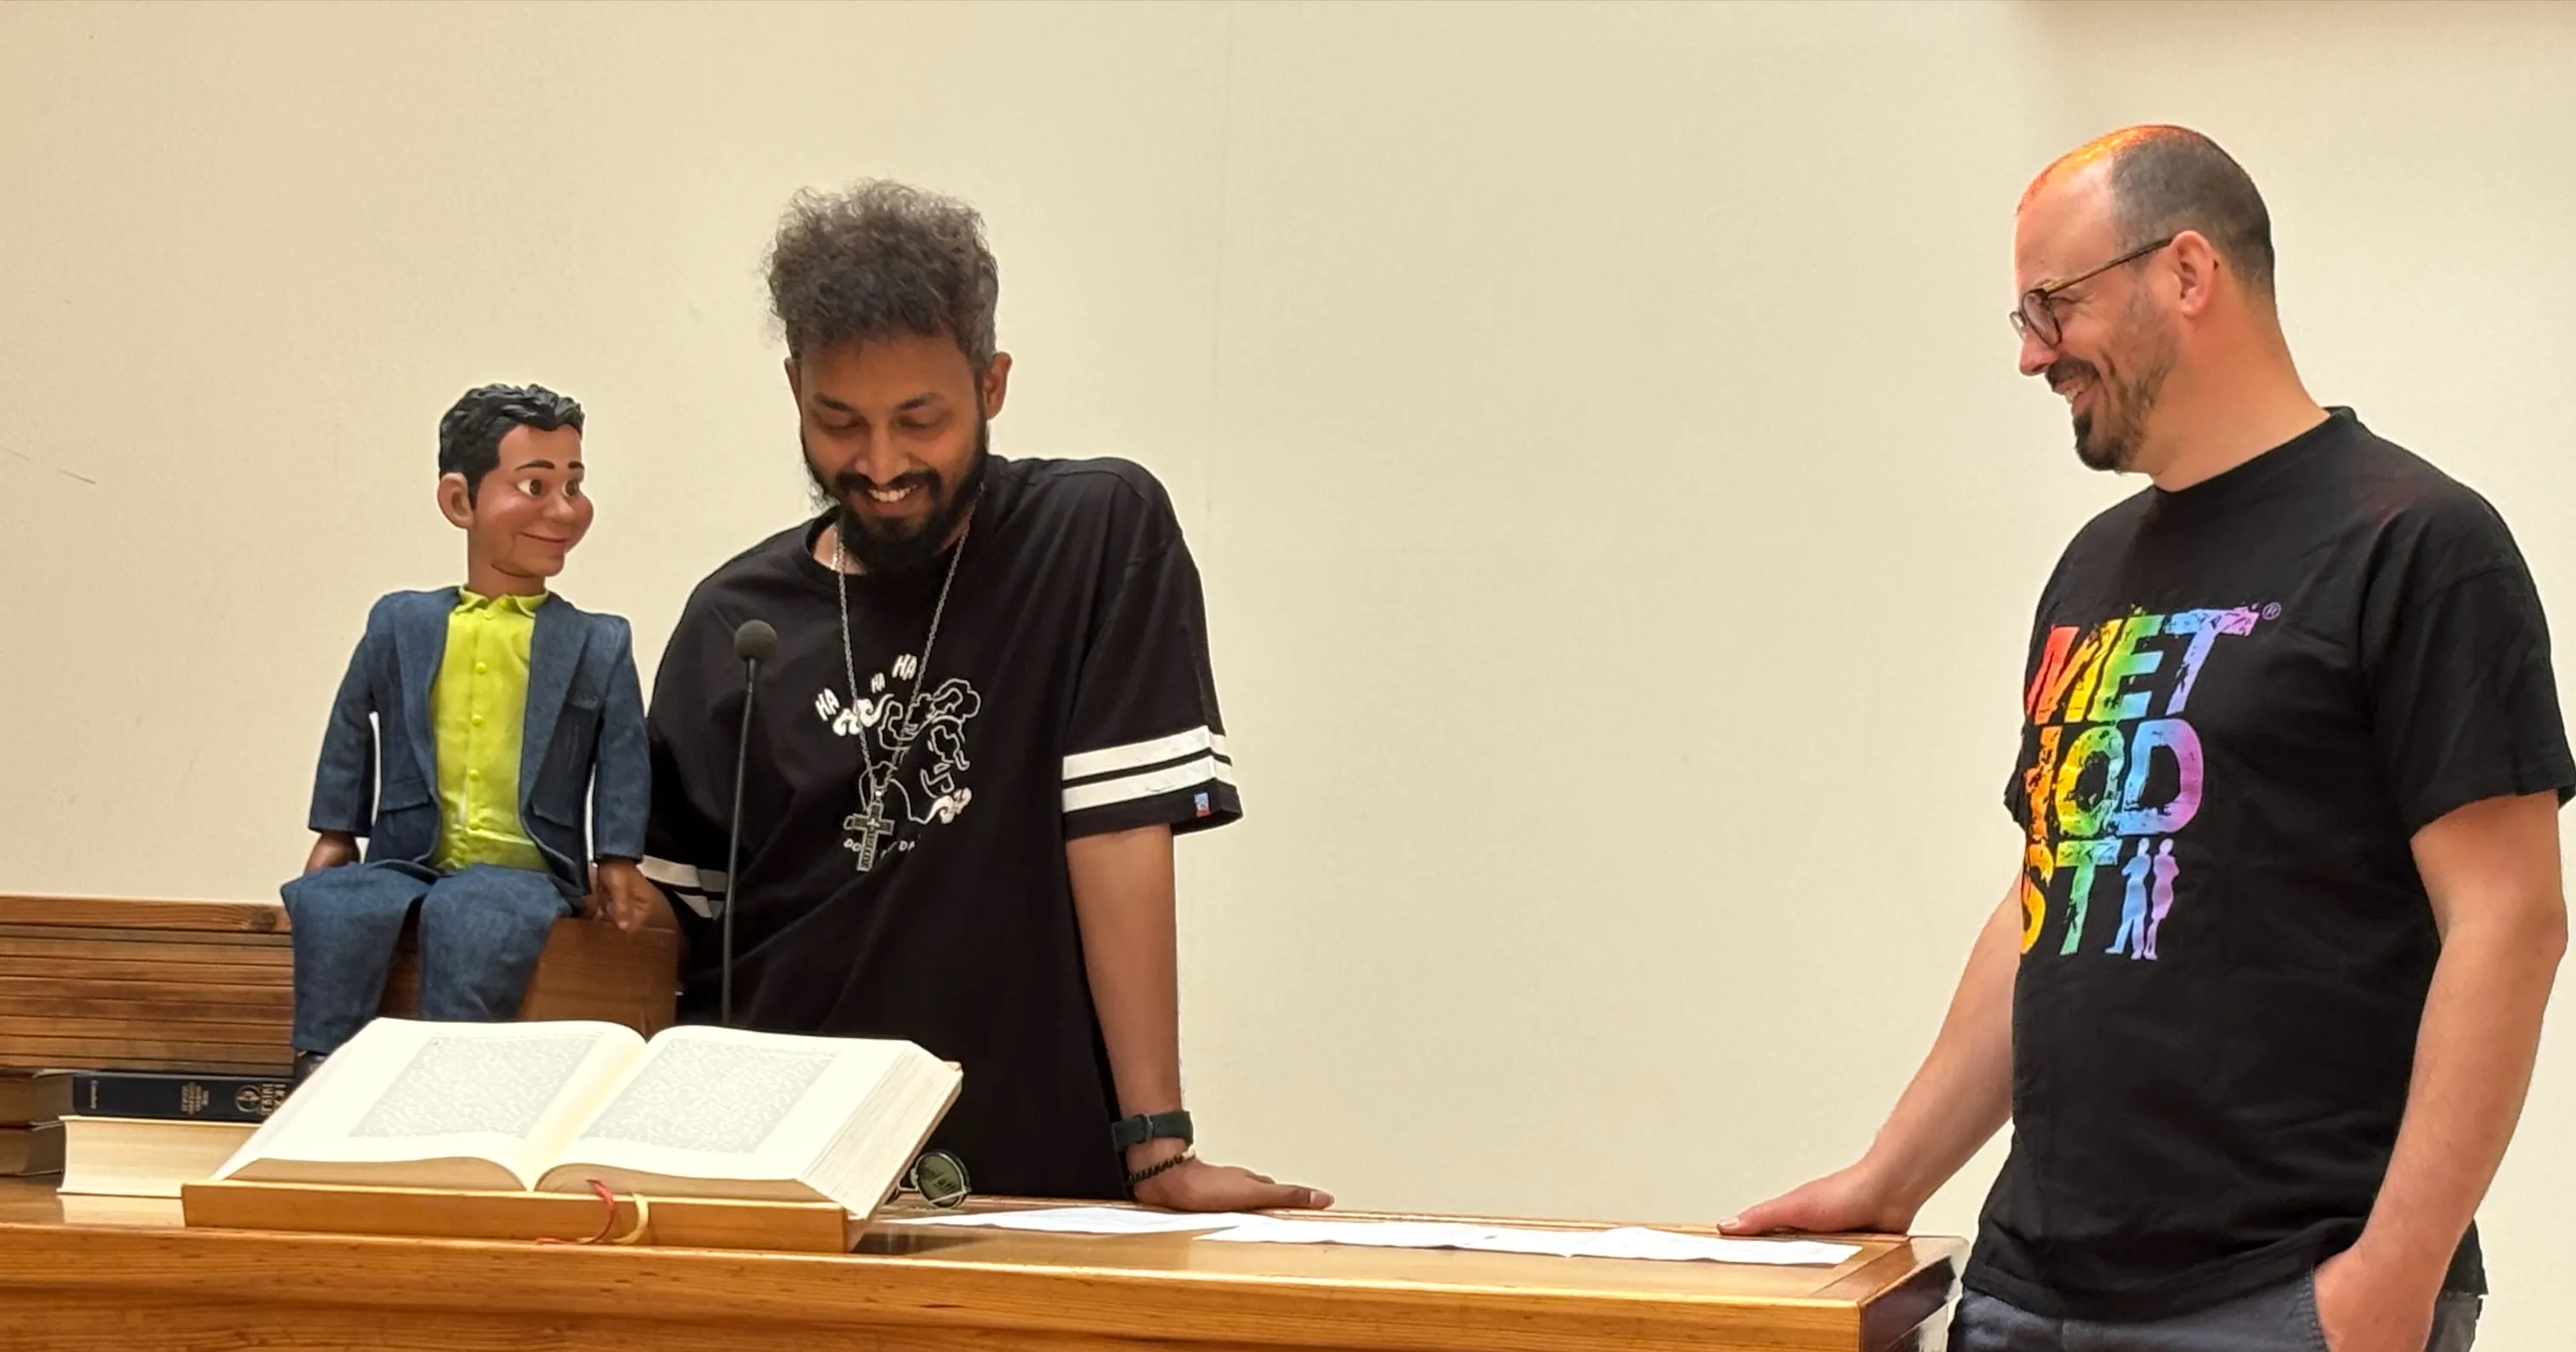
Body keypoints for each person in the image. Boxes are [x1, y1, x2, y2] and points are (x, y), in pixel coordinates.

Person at [1722, 127, 2571, 1352]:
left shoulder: (2419, 545)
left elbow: (2510, 923)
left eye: (2054, 304)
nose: (2031, 353)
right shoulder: (2094, 565)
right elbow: (2057, 886)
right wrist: (1889, 1175)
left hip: (2281, 1294)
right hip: (2027, 1293)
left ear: (2185, 272)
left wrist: (2393, 1277)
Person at [640, 182, 1327, 1211]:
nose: (880, 464)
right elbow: (667, 932)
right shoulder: (731, 621)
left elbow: (1117, 834)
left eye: (920, 420)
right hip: (769, 1180)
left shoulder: (1092, 536)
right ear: (794, 389)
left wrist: (1158, 1151)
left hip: (1031, 1164)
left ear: (992, 384)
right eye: (838, 422)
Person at [285, 384, 659, 1079]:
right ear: (460, 501)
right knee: (333, 906)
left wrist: (617, 858)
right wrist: (337, 830)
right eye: (535, 486)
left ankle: (451, 1073)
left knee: (474, 915)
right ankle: (322, 1067)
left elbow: (623, 756)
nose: (563, 510)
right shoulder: (400, 622)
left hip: (525, 867)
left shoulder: (597, 642)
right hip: (403, 852)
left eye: (573, 486)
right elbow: (351, 720)